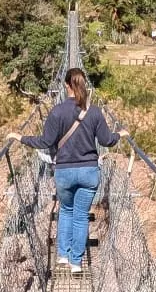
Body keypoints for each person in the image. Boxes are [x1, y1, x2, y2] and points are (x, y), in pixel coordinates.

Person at [11, 68, 119, 274]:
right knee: (80, 216)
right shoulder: (94, 111)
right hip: (88, 172)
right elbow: (107, 140)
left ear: (66, 85)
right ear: (83, 84)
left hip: (64, 173)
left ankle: (62, 255)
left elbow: (45, 142)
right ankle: (76, 263)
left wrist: (21, 138)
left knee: (66, 211)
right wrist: (119, 134)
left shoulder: (57, 111)